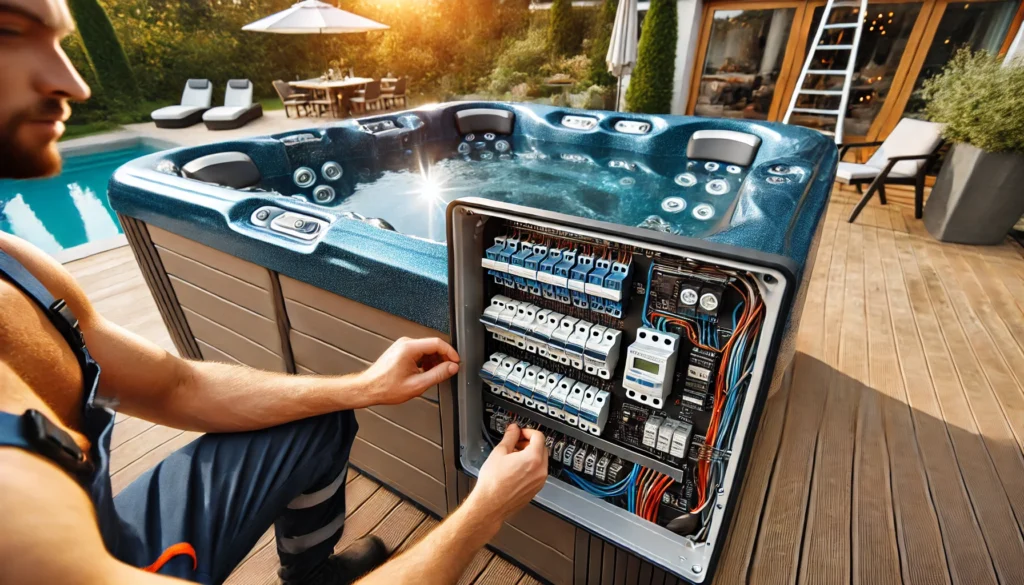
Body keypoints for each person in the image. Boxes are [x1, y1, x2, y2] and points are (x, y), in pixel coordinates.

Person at [0, 1, 549, 584]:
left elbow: (173, 384)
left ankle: (310, 574)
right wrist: (485, 511)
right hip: (83, 559)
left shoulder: (16, 266)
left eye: (59, 40)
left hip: (98, 521)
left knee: (324, 414)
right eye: (10, 32)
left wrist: (363, 387)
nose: (73, 83)